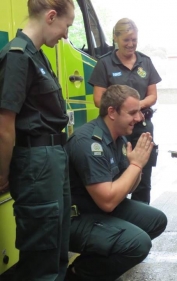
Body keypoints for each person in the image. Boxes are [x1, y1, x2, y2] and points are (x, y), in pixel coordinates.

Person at [0, 1, 74, 279]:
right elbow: (4, 125)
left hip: (52, 157)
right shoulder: (18, 56)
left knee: (57, 245)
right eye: (67, 26)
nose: (66, 35)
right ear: (51, 17)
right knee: (42, 252)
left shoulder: (37, 54)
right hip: (37, 161)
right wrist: (3, 172)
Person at [64, 84, 167, 281]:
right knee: (138, 243)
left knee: (156, 220)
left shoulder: (118, 138)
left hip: (99, 210)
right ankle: (78, 274)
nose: (139, 118)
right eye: (133, 112)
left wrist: (136, 166)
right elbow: (108, 201)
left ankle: (94, 265)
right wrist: (136, 166)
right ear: (112, 112)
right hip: (76, 218)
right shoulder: (88, 143)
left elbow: (127, 188)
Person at [89, 18, 161, 205]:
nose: (131, 44)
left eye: (134, 40)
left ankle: (143, 222)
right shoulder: (104, 63)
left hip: (142, 128)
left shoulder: (145, 62)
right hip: (115, 131)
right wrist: (126, 109)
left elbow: (153, 95)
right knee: (116, 176)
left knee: (143, 178)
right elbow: (98, 99)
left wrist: (136, 107)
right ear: (116, 38)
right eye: (126, 40)